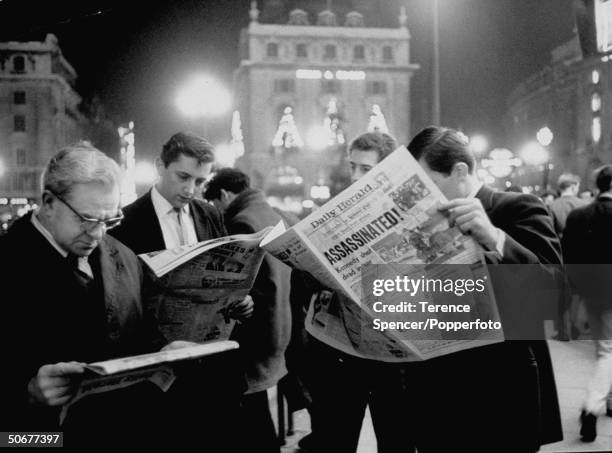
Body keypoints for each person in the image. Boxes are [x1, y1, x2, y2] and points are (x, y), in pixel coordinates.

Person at [0, 142, 185, 446]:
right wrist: (27, 392)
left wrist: (165, 351)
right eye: (86, 219)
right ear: (48, 202)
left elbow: (143, 329)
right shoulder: (8, 261)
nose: (98, 234)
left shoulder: (123, 256)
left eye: (109, 220)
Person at [404, 126, 563, 452]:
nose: (421, 196)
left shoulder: (517, 207)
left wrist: (494, 237)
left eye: (427, 183)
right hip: (434, 394)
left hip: (501, 394)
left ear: (459, 171)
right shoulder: (418, 223)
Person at [110, 131, 251, 450]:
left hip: (213, 370)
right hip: (160, 371)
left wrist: (241, 303)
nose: (190, 190)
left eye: (200, 181)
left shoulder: (211, 214)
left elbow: (224, 277)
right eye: (183, 176)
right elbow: (122, 304)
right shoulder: (127, 224)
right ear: (161, 166)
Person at [305, 131, 413, 453]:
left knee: (397, 440)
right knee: (334, 439)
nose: (354, 177)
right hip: (338, 353)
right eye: (353, 167)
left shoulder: (409, 215)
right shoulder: (332, 212)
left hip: (394, 356)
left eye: (365, 169)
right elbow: (304, 286)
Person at [204, 168, 292, 453]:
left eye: (216, 204)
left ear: (225, 195)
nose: (216, 212)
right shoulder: (271, 213)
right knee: (256, 411)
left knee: (250, 414)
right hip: (279, 324)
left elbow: (239, 282)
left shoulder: (241, 221)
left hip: (254, 331)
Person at [563, 165, 612, 442]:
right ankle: (591, 405)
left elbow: (570, 260)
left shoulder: (580, 216)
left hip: (592, 292)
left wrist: (576, 300)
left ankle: (605, 400)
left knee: (605, 349)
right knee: (608, 352)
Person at [549, 173, 586, 237]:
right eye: (578, 187)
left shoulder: (551, 206)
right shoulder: (585, 205)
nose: (578, 190)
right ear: (573, 187)